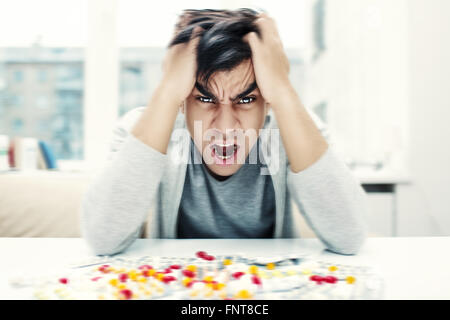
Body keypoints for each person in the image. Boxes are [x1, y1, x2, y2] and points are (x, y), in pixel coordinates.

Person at [81, 8, 367, 256]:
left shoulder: (295, 130)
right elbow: (103, 239)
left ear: (267, 101)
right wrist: (167, 92)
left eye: (245, 100)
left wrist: (282, 90)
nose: (226, 127)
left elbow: (349, 237)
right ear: (182, 100)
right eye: (205, 99)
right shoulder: (142, 129)